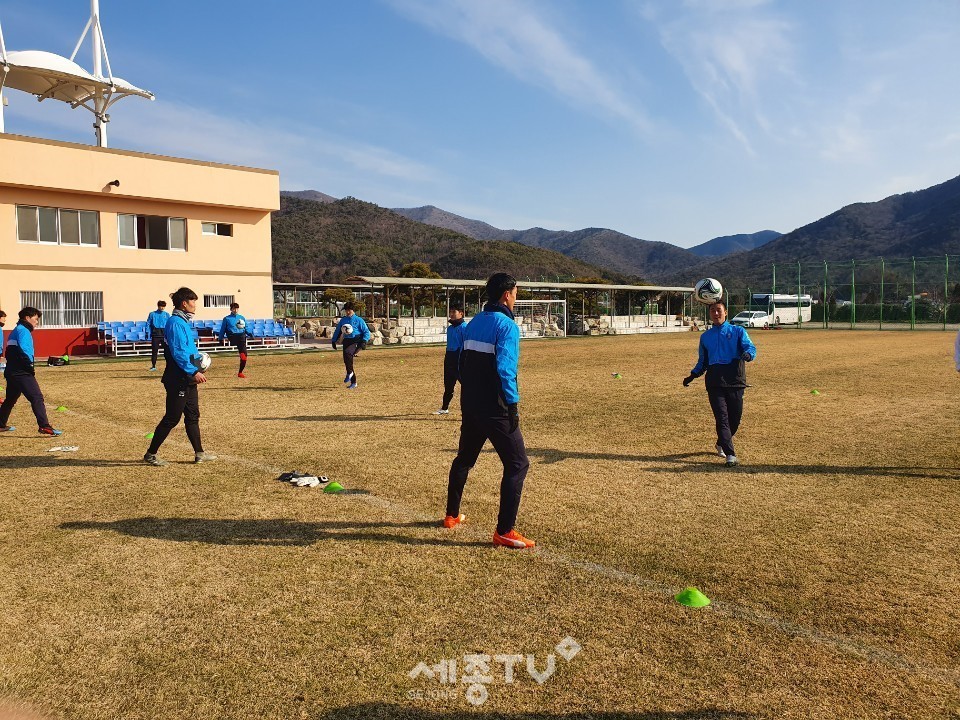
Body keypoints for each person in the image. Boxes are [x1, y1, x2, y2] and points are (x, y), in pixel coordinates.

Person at [444, 272, 534, 549]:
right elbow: (506, 369)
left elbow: (460, 362)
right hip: (495, 407)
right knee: (518, 464)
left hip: (470, 404)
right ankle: (504, 531)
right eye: (516, 293)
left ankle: (452, 515)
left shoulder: (473, 324)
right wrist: (513, 404)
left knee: (464, 459)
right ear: (507, 294)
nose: (516, 298)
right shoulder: (506, 326)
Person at [144, 287, 217, 466]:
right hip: (178, 378)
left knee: (193, 415)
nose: (195, 305)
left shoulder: (182, 322)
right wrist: (193, 371)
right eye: (193, 301)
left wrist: (199, 362)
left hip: (187, 377)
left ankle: (199, 453)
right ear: (184, 303)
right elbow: (178, 352)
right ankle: (151, 454)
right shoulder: (176, 322)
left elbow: (187, 350)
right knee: (172, 417)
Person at [683, 300, 757, 467]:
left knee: (734, 419)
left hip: (735, 380)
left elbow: (750, 347)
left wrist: (748, 355)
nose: (715, 314)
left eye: (718, 310)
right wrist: (692, 375)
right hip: (714, 381)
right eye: (712, 311)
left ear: (725, 313)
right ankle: (730, 454)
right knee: (721, 418)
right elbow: (703, 361)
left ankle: (721, 442)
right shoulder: (705, 337)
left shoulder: (738, 331)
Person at [0, 307, 63, 436]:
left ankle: (0, 424)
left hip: (12, 371)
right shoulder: (23, 331)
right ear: (27, 318)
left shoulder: (15, 330)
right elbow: (25, 351)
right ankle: (44, 426)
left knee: (10, 399)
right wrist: (29, 367)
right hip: (21, 372)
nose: (37, 322)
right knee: (37, 397)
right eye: (36, 319)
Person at [434, 304, 467, 415]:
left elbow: (466, 346)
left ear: (461, 313)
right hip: (449, 359)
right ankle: (444, 408)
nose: (451, 314)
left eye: (454, 312)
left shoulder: (464, 328)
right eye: (450, 312)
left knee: (467, 387)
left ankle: (470, 410)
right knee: (448, 386)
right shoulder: (450, 328)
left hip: (459, 360)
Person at [331, 301, 371, 390]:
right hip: (347, 340)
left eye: (349, 310)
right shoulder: (343, 320)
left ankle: (350, 374)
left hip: (356, 340)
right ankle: (353, 381)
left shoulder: (359, 320)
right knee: (347, 361)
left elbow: (366, 331)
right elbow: (338, 331)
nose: (348, 312)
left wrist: (364, 341)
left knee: (348, 354)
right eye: (346, 310)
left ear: (353, 310)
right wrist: (333, 340)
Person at [218, 302, 252, 378]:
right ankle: (241, 352)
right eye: (234, 308)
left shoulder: (241, 317)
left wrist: (249, 333)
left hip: (241, 336)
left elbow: (245, 327)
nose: (235, 310)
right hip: (232, 336)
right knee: (239, 341)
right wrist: (220, 338)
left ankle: (240, 372)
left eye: (237, 308)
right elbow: (222, 329)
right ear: (231, 309)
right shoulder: (227, 319)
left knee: (244, 356)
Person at [147, 300, 170, 372]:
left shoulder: (167, 314)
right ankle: (153, 366)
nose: (162, 308)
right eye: (161, 306)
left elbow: (169, 325)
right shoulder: (152, 314)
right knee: (154, 351)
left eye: (163, 306)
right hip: (155, 334)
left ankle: (169, 365)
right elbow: (148, 324)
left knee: (167, 351)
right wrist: (148, 333)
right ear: (158, 306)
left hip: (164, 335)